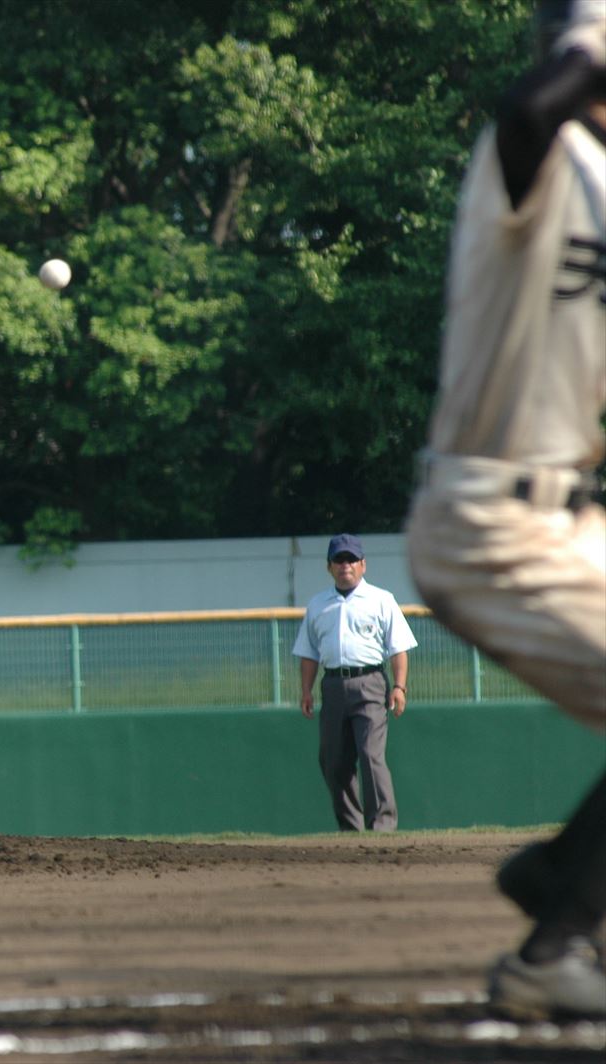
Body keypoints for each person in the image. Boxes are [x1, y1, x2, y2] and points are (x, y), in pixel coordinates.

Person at [404, 0, 606, 1021]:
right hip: (490, 519)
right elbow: (528, 111)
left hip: (572, 519)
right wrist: (592, 37)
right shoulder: (532, 159)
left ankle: (564, 874)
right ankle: (553, 943)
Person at [292, 533, 418, 833]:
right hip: (333, 684)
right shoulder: (318, 604)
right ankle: (351, 828)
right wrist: (306, 691)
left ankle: (382, 825)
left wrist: (399, 687)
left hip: (369, 682)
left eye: (351, 559)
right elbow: (308, 653)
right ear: (329, 566)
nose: (345, 565)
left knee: (371, 755)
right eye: (339, 559)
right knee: (333, 760)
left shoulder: (380, 599)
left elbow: (398, 648)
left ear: (363, 564)